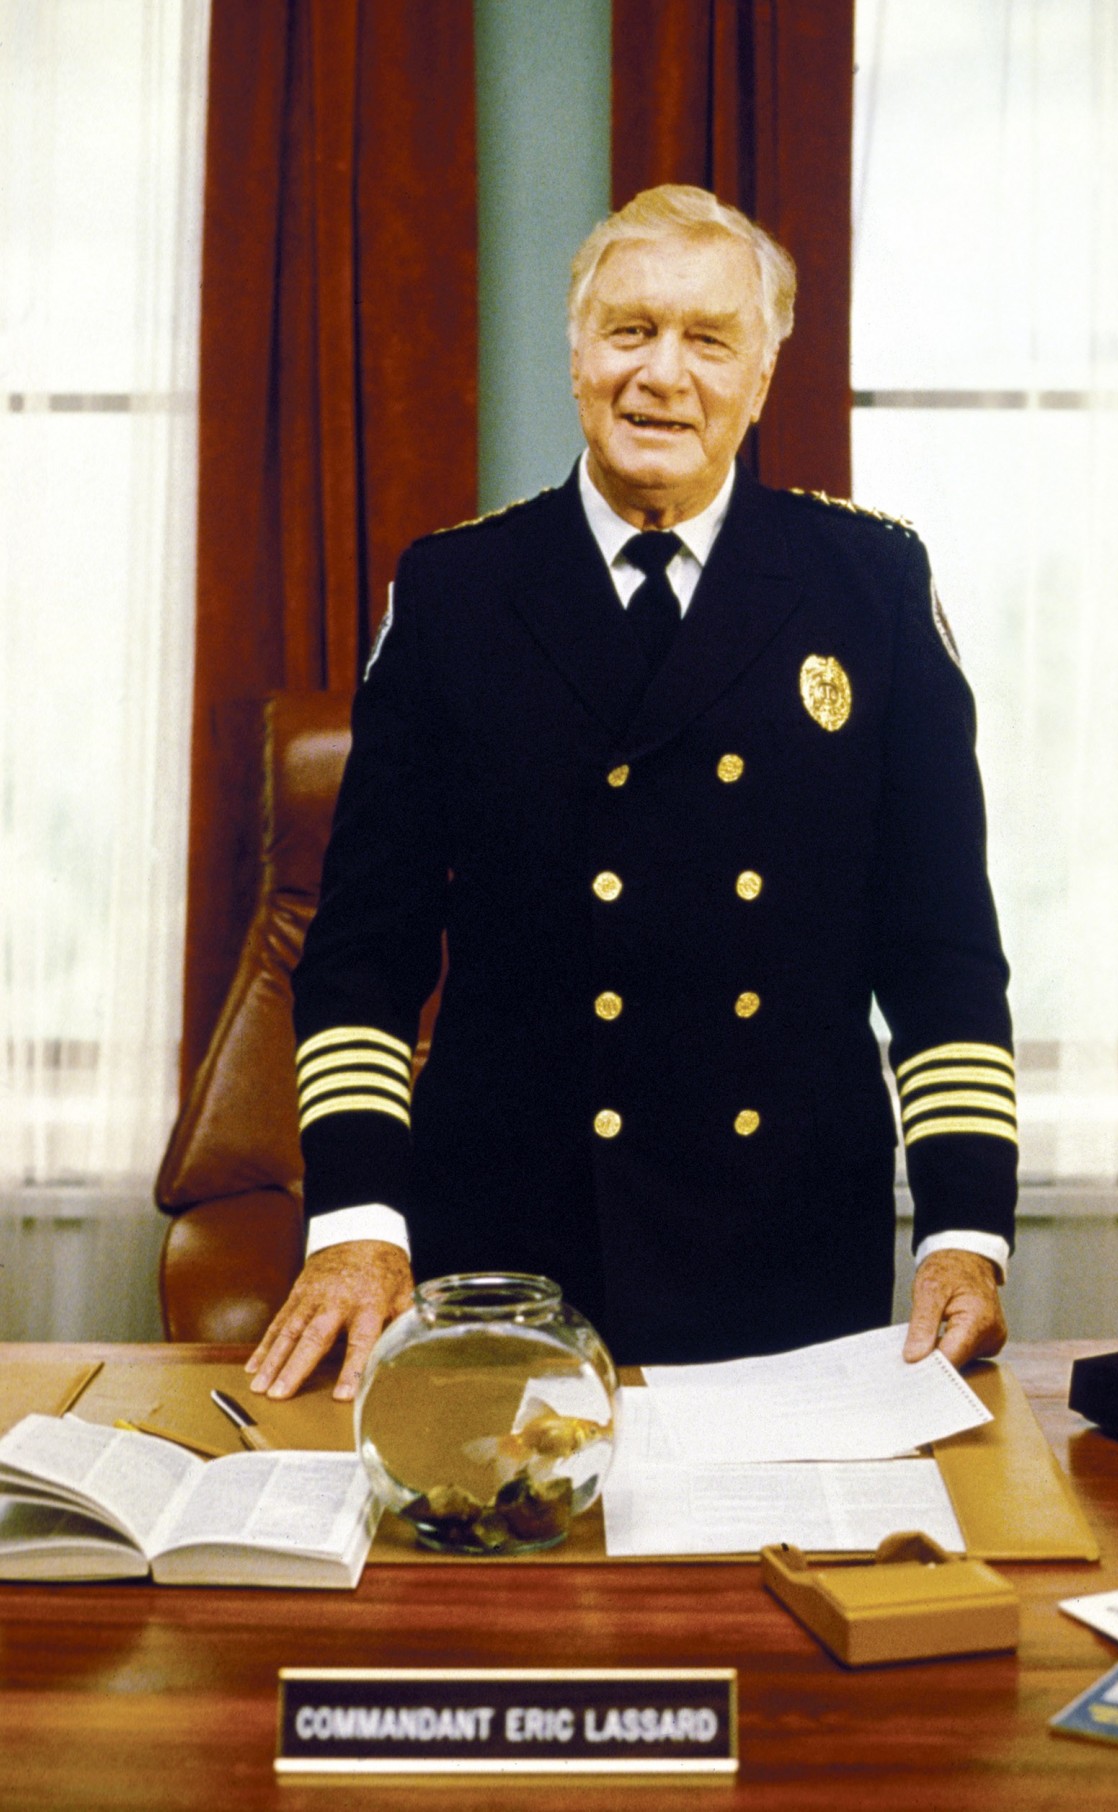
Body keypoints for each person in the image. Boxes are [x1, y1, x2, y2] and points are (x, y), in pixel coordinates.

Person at [247, 184, 1017, 1404]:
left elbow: (943, 953)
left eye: (709, 339)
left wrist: (964, 1231)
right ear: (576, 358)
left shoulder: (870, 585)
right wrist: (357, 1218)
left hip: (785, 1247)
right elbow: (361, 955)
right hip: (508, 1243)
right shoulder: (454, 593)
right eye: (630, 331)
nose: (664, 374)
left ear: (761, 378)